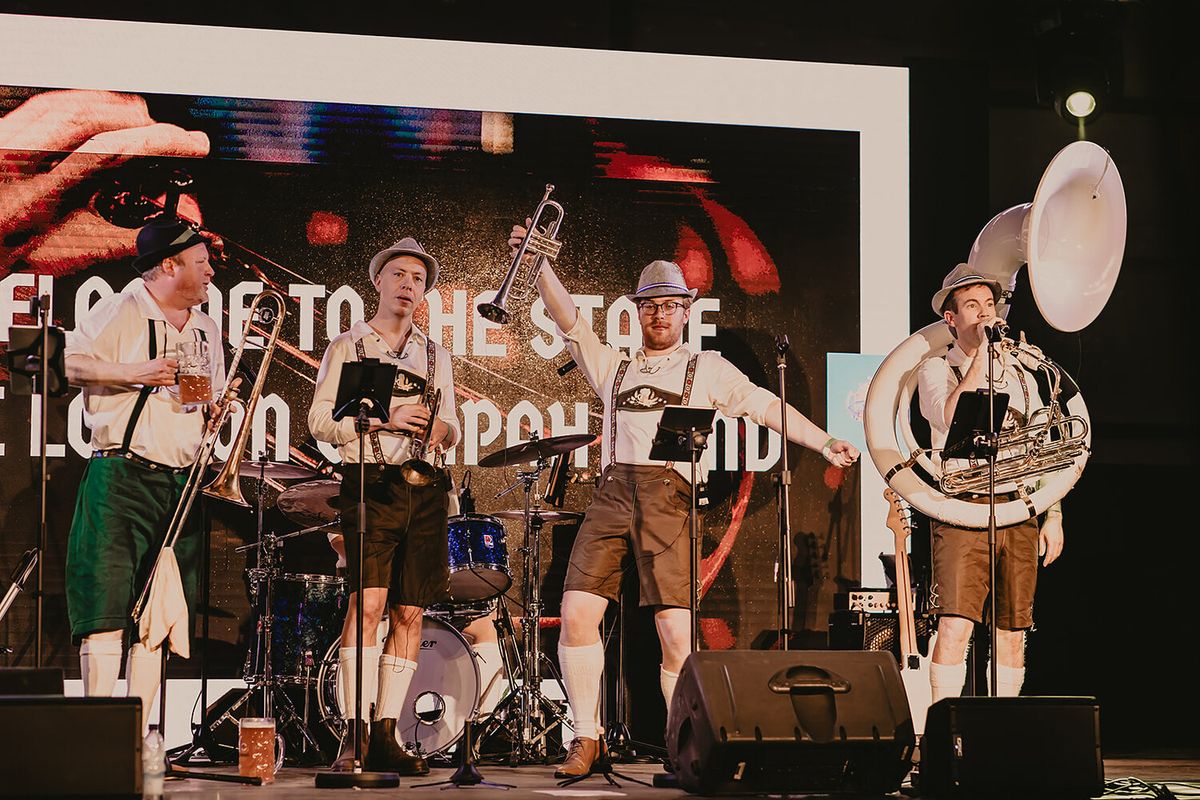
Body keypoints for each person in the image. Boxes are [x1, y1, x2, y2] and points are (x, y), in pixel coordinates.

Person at [511, 224, 861, 779]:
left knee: (676, 633)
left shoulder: (707, 369)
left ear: (685, 311)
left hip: (669, 496)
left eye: (670, 305)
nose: (659, 315)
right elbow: (568, 320)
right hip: (611, 495)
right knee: (578, 614)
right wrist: (536, 265)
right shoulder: (614, 366)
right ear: (637, 312)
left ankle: (681, 750)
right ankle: (587, 739)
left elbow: (766, 406)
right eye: (650, 306)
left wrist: (824, 441)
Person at [64, 218, 228, 733]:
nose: (210, 273)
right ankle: (97, 737)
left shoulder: (205, 327)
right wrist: (134, 372)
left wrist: (214, 410)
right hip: (122, 477)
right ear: (168, 265)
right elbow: (68, 363)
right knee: (107, 607)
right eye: (200, 264)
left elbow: (198, 396)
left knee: (156, 618)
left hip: (179, 485)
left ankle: (136, 740)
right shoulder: (123, 307)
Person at [308, 237, 460, 775]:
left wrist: (443, 428)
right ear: (379, 281)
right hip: (369, 482)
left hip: (424, 488)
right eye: (398, 275)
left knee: (410, 610)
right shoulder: (349, 346)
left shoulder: (435, 353)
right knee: (366, 608)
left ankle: (387, 733)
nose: (407, 286)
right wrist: (384, 419)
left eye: (417, 280)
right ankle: (353, 735)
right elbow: (319, 421)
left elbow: (453, 425)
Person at [916, 263, 1065, 703]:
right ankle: (942, 738)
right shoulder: (934, 369)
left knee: (1013, 632)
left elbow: (1043, 444)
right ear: (951, 318)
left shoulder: (1021, 375)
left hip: (1018, 509)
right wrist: (983, 354)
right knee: (956, 626)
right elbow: (947, 415)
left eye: (988, 304)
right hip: (964, 506)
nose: (984, 314)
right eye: (971, 307)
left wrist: (1052, 513)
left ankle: (1002, 739)